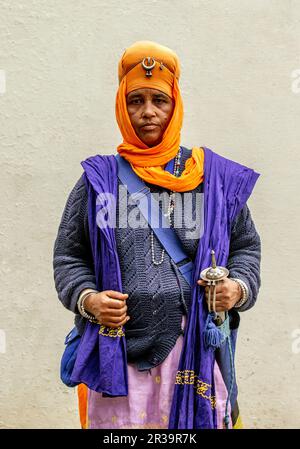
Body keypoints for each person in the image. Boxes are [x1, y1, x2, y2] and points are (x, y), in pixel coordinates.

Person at [53, 41, 261, 429]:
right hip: (116, 354)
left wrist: (238, 288)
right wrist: (89, 300)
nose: (147, 112)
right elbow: (69, 256)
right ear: (121, 106)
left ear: (175, 103)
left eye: (159, 100)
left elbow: (246, 246)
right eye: (135, 100)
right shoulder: (98, 181)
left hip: (192, 350)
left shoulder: (211, 179)